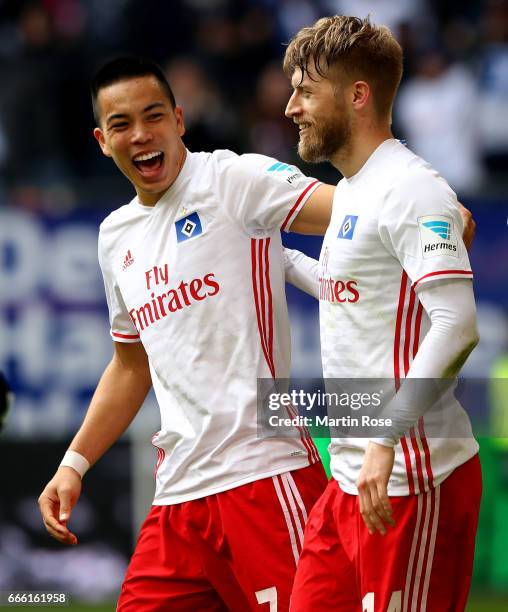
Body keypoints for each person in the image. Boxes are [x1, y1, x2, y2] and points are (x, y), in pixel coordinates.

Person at [37, 56, 336, 612]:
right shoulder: (115, 237)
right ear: (103, 141)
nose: (141, 135)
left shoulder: (231, 179)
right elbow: (131, 365)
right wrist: (72, 465)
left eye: (153, 116)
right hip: (178, 499)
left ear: (179, 119)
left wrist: (425, 213)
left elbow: (347, 212)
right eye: (122, 125)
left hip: (264, 478)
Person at [283, 15, 481, 611]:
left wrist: (384, 439)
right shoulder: (353, 190)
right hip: (351, 479)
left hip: (412, 479)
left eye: (305, 91)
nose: (291, 106)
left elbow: (457, 324)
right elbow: (351, 291)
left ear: (358, 96)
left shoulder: (411, 188)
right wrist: (274, 257)